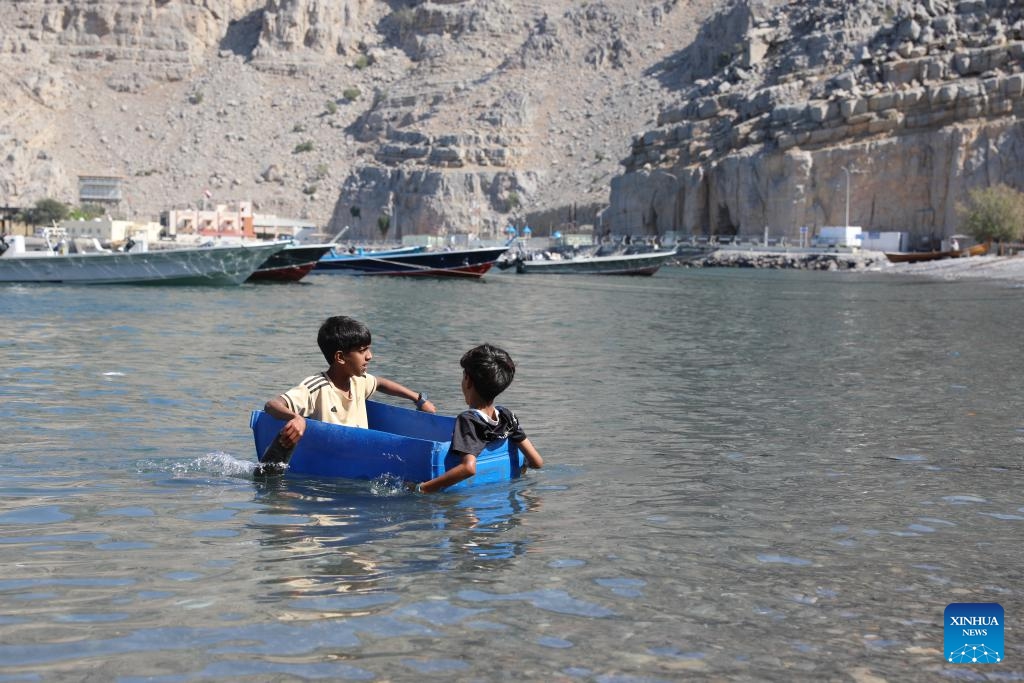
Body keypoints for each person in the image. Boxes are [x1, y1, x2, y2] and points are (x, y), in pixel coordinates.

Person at [264, 316, 436, 452]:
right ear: (340, 357)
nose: (370, 356)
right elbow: (272, 405)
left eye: (368, 349)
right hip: (331, 459)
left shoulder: (359, 381)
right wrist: (296, 418)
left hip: (360, 453)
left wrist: (418, 399)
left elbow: (380, 383)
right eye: (362, 351)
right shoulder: (316, 387)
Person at [410, 344, 542, 494]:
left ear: (468, 380)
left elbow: (468, 468)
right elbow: (537, 462)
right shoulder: (507, 416)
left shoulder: (468, 420)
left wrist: (421, 488)